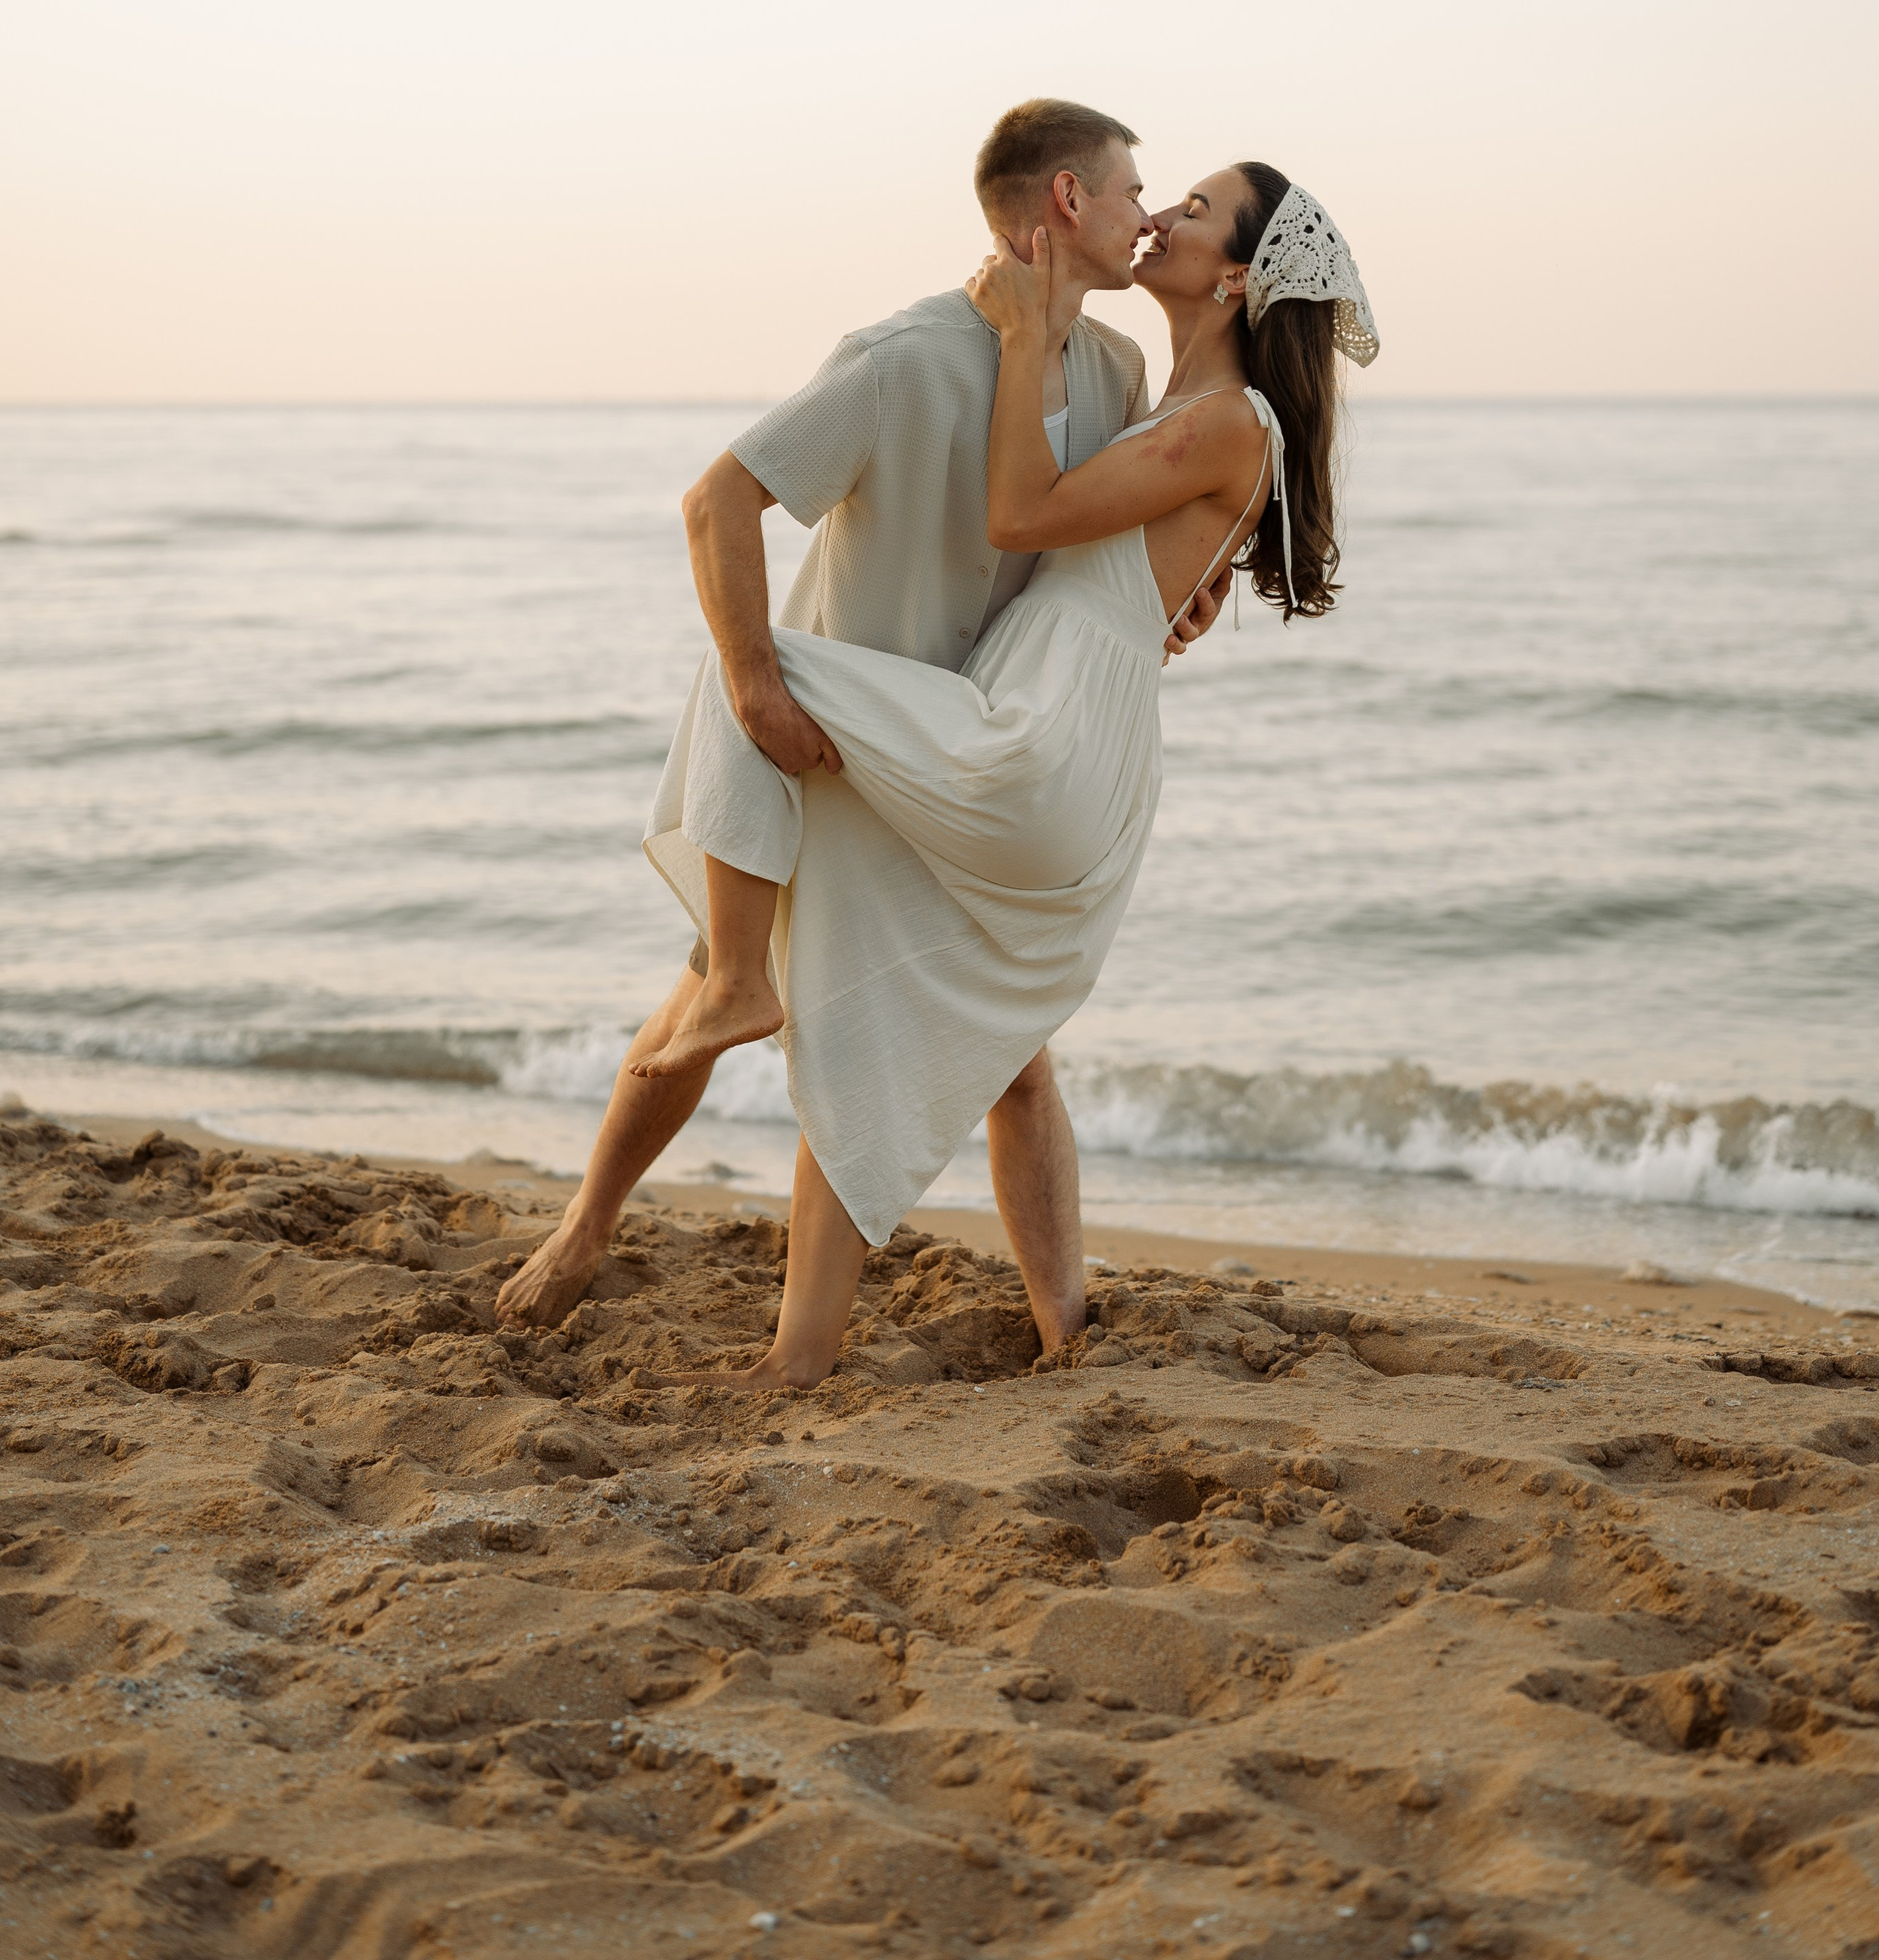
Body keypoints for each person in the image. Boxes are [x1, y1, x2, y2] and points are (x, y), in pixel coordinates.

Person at [635, 159, 1378, 1389]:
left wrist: (1023, 328)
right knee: (868, 983)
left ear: (1238, 275)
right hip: (1058, 728)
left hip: (1037, 738)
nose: (1167, 216)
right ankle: (847, 1350)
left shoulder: (1225, 417)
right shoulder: (1168, 400)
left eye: (1195, 210)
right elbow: (1122, 576)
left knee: (746, 666)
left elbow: (1019, 515)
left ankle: (729, 979)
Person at [495, 101, 1226, 1340]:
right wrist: (757, 691)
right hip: (837, 745)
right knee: (697, 1003)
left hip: (971, 747)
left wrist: (1177, 598)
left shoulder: (1116, 374)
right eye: (1129, 190)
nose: (1147, 214)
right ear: (1063, 202)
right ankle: (586, 1229)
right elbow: (717, 501)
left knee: (1015, 1048)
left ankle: (1064, 1332)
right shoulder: (905, 355)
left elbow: (1100, 542)